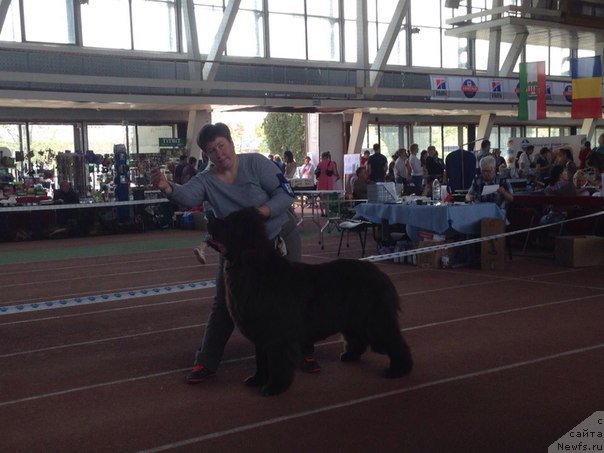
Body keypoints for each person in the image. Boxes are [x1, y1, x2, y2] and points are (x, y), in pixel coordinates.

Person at [150, 122, 320, 384]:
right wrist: (167, 187)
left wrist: (262, 211)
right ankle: (206, 361)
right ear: (207, 156)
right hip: (239, 250)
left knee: (291, 298)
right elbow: (186, 196)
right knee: (225, 302)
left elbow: (285, 195)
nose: (219, 153)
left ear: (231, 143)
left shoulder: (256, 164)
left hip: (279, 238)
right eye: (211, 150)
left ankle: (305, 351)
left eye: (221, 145)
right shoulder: (206, 180)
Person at [315, 151, 340, 216]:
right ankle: (327, 212)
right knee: (328, 197)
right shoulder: (331, 163)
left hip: (321, 181)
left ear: (323, 157)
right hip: (328, 181)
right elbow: (334, 172)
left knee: (321, 197)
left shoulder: (320, 163)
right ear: (328, 157)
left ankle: (322, 212)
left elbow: (317, 171)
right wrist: (337, 176)